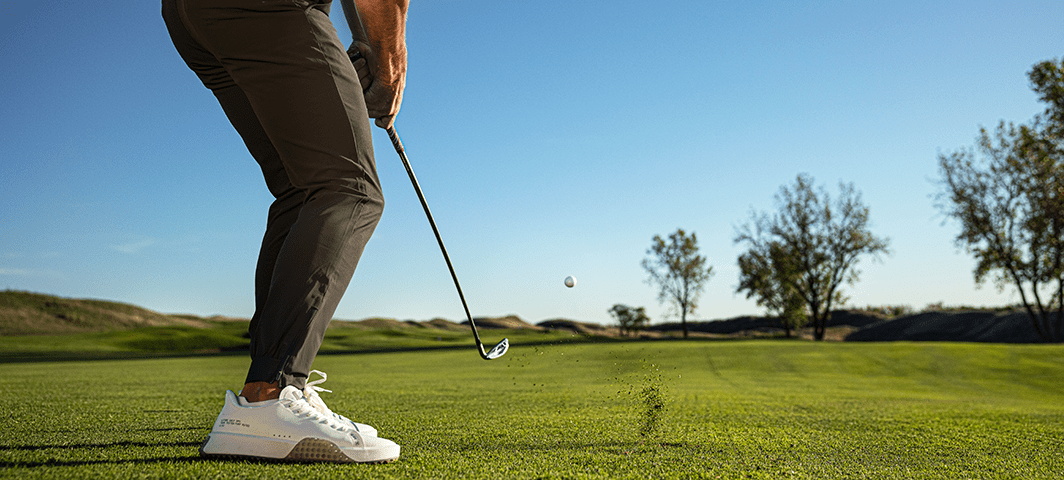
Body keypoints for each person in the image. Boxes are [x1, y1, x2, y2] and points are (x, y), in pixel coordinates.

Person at [161, 0, 408, 464]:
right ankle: (274, 392)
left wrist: (362, 42)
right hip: (266, 7)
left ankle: (260, 393)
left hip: (190, 16)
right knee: (349, 190)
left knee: (301, 189)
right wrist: (387, 61)